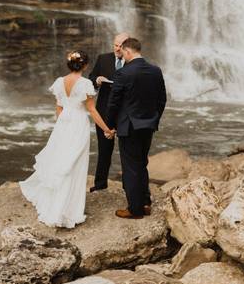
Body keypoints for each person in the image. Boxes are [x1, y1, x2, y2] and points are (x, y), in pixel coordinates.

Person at [20, 50, 116, 228]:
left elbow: (59, 108)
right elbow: (92, 110)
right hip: (78, 124)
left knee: (61, 161)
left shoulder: (59, 82)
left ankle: (58, 205)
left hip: (63, 124)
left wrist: (61, 126)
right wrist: (107, 129)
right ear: (85, 66)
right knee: (75, 164)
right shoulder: (85, 83)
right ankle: (69, 210)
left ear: (69, 65)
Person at [105, 37, 167, 219]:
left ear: (128, 51)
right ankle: (146, 203)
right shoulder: (155, 71)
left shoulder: (123, 73)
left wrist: (110, 126)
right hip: (148, 125)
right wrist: (154, 118)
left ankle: (135, 209)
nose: (122, 56)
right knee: (141, 163)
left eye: (122, 53)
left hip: (129, 126)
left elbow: (113, 103)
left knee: (131, 167)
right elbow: (162, 99)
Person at [86, 31, 130, 192]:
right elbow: (91, 78)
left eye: (121, 46)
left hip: (125, 113)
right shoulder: (103, 58)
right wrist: (97, 81)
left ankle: (128, 185)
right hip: (103, 111)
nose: (117, 49)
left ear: (128, 46)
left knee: (127, 151)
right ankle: (100, 183)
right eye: (115, 45)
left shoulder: (132, 61)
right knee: (104, 150)